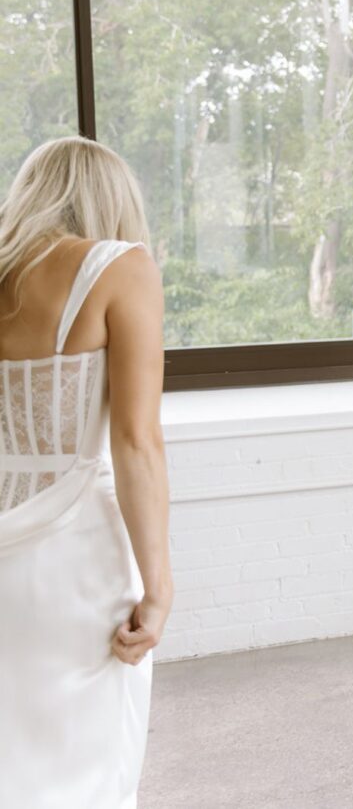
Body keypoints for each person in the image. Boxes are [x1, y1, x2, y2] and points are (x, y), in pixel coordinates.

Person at [0, 136, 171, 807]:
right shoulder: (121, 267)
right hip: (75, 551)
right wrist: (158, 587)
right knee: (87, 757)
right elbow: (137, 439)